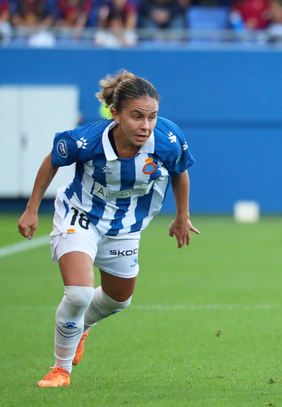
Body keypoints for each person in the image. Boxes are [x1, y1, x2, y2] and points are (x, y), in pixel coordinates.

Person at [18, 71, 199, 387]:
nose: (146, 125)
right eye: (137, 116)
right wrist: (32, 208)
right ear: (115, 114)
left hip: (126, 226)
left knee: (119, 299)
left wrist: (181, 216)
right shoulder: (86, 140)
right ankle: (61, 369)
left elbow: (179, 173)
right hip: (81, 215)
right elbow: (52, 161)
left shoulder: (168, 140)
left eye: (152, 116)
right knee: (78, 293)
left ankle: (80, 327)